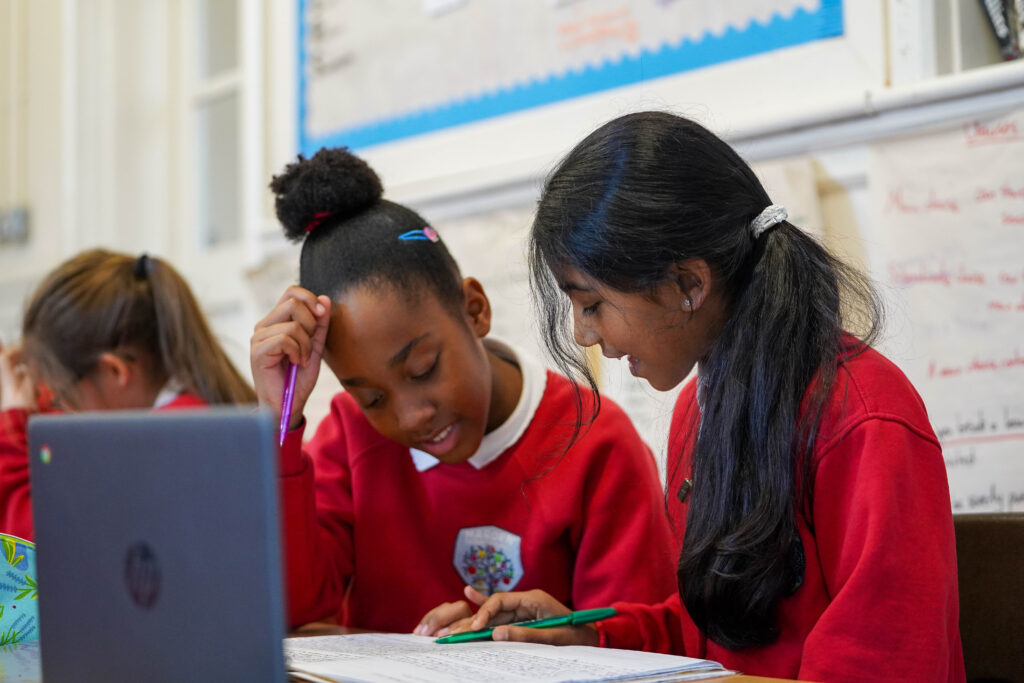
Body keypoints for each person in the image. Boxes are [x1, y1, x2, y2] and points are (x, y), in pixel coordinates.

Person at [428, 112, 965, 682]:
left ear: (688, 284)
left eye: (591, 305)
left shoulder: (862, 417)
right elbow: (716, 630)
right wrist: (591, 634)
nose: (585, 335)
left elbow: (888, 660)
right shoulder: (699, 409)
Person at [250, 147, 677, 634]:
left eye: (423, 368)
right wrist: (279, 420)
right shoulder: (347, 437)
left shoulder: (595, 446)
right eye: (372, 398)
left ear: (474, 309)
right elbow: (291, 610)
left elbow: (639, 646)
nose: (410, 416)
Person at [0, 249, 256, 540]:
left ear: (115, 372)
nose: (66, 412)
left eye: (64, 399)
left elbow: (44, 556)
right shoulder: (190, 413)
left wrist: (10, 428)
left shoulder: (164, 445)